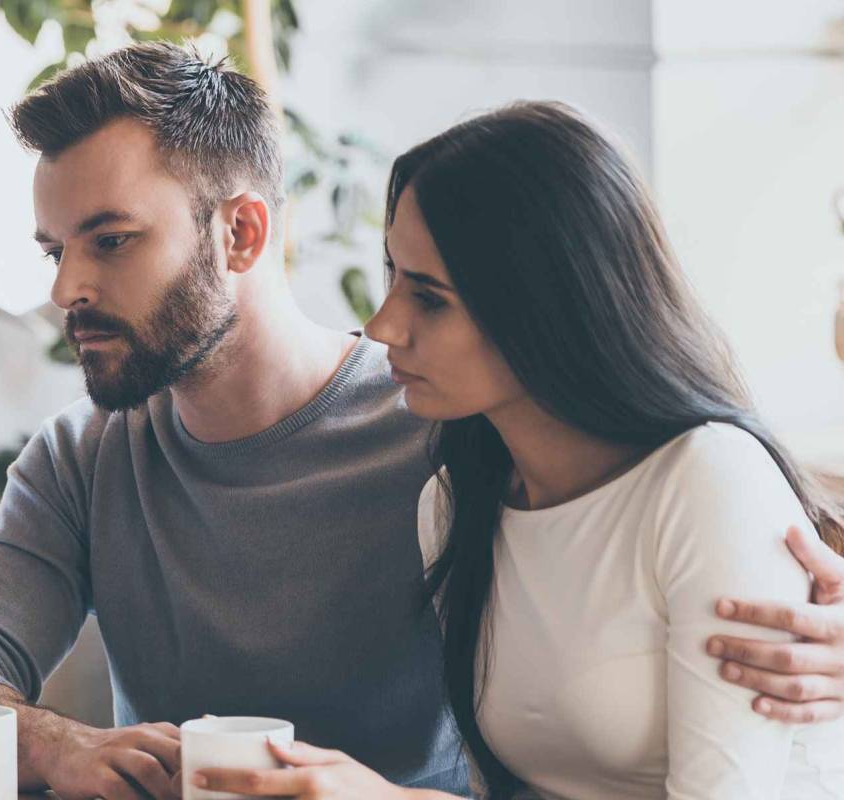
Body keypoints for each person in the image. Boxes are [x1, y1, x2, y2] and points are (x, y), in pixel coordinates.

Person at [0, 44, 844, 800]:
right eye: (53, 249)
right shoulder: (84, 459)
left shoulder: (453, 425)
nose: (67, 288)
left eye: (111, 241)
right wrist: (52, 740)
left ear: (243, 232)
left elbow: (658, 482)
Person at [194, 102, 844, 799]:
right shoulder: (453, 502)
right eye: (392, 275)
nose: (382, 326)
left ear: (547, 305)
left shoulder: (707, 481)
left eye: (430, 298)